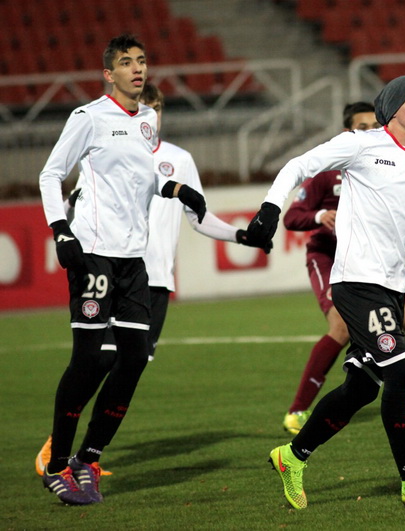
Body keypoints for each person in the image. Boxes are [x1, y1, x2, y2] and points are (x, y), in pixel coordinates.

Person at [246, 76, 405, 509]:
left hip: (393, 287)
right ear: (393, 107)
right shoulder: (361, 144)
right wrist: (271, 207)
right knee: (401, 370)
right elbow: (297, 166)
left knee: (362, 388)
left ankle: (293, 455)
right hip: (356, 281)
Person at [34, 82, 267, 478]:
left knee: (130, 364)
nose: (151, 114)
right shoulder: (106, 151)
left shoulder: (179, 159)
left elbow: (198, 217)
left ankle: (86, 458)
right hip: (110, 266)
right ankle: (59, 450)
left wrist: (240, 236)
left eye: (156, 107)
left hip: (155, 279)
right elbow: (74, 202)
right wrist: (69, 238)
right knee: (99, 359)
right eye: (145, 106)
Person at [38, 34, 207, 505]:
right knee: (87, 360)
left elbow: (142, 176)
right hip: (94, 252)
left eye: (142, 61)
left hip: (134, 258)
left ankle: (88, 457)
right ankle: (56, 464)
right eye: (127, 63)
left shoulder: (147, 120)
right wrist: (61, 230)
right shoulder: (89, 117)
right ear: (108, 74)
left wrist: (175, 189)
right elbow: (51, 174)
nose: (137, 68)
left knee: (133, 359)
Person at [281, 102, 405, 434]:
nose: (370, 131)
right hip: (331, 259)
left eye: (375, 125)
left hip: (375, 263)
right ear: (348, 132)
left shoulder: (389, 163)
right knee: (341, 328)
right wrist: (319, 216)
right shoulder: (328, 171)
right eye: (362, 126)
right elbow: (292, 217)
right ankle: (297, 411)